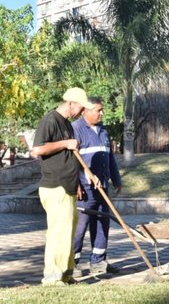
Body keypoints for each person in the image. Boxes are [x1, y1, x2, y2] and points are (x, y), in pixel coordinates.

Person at [31, 87, 96, 286]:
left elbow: (69, 156)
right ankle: (52, 278)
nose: (82, 111)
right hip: (55, 186)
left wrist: (76, 183)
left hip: (68, 186)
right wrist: (65, 143)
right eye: (81, 107)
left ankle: (66, 274)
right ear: (70, 103)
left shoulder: (66, 124)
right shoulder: (50, 120)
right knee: (58, 233)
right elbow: (37, 150)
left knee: (69, 232)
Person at [72, 97, 122, 276]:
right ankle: (72, 263)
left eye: (102, 110)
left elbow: (109, 158)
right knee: (80, 226)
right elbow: (71, 161)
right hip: (85, 190)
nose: (101, 113)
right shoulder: (75, 129)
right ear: (85, 111)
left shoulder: (103, 130)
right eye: (98, 110)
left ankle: (98, 262)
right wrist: (76, 183)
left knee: (102, 223)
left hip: (103, 186)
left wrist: (116, 179)